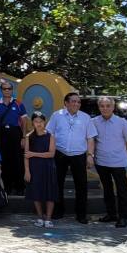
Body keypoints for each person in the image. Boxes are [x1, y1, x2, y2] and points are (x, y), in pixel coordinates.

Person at [47, 92, 97, 224]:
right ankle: (58, 211)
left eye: (78, 102)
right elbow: (49, 134)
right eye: (73, 101)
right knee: (57, 183)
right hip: (60, 153)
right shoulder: (56, 115)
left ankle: (81, 214)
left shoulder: (86, 118)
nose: (76, 104)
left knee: (81, 185)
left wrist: (90, 155)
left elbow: (90, 138)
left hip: (79, 155)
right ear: (66, 103)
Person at [92, 96, 127, 228]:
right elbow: (91, 140)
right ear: (99, 107)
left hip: (118, 162)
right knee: (107, 190)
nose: (105, 108)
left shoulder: (121, 122)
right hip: (101, 162)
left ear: (113, 107)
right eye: (102, 106)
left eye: (108, 106)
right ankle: (111, 214)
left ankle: (123, 217)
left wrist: (120, 153)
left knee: (122, 190)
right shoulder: (93, 122)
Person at [0, 82, 28, 195]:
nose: (7, 90)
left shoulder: (18, 103)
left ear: (12, 90)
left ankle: (20, 187)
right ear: (1, 91)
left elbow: (24, 122)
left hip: (15, 132)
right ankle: (7, 186)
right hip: (1, 134)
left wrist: (24, 137)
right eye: (4, 89)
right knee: (4, 160)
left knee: (17, 160)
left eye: (9, 88)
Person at [24, 111, 57, 228]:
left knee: (50, 193)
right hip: (34, 168)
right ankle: (39, 217)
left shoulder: (50, 136)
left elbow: (51, 154)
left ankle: (48, 218)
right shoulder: (29, 137)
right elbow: (26, 155)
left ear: (45, 122)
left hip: (48, 167)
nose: (39, 124)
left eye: (41, 121)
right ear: (32, 122)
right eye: (36, 121)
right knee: (36, 193)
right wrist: (27, 170)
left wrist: (34, 154)